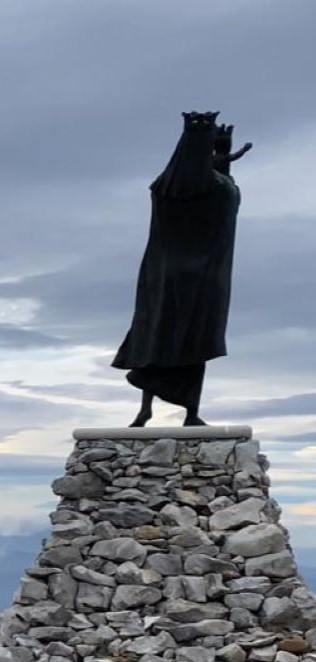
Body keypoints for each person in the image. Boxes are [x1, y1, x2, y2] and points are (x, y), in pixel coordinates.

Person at [113, 112, 248, 427]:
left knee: (178, 341)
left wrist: (218, 156)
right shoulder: (184, 185)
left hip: (183, 276)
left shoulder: (176, 184)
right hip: (187, 277)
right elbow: (212, 188)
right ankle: (172, 412)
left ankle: (173, 412)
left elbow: (213, 186)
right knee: (173, 340)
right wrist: (220, 157)